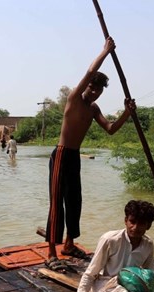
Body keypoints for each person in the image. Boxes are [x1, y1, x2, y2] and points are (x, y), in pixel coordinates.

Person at [46, 36, 136, 264]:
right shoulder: (74, 99)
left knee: (75, 201)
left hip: (74, 156)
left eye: (98, 90)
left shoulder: (93, 108)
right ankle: (51, 253)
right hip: (61, 154)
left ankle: (68, 244)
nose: (94, 92)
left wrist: (127, 112)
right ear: (86, 86)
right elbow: (89, 70)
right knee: (57, 203)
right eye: (92, 87)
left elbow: (111, 129)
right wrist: (105, 51)